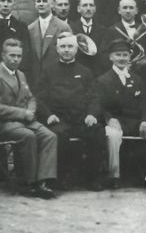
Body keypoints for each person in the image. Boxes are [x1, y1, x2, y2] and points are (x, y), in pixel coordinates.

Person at [0, 39, 58, 199]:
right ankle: (29, 182)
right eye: (12, 55)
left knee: (50, 136)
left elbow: (31, 97)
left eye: (19, 56)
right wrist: (23, 113)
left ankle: (43, 181)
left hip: (25, 121)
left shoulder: (21, 75)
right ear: (3, 55)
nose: (16, 59)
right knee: (28, 136)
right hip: (2, 124)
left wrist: (30, 111)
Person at [35, 33, 108, 190]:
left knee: (97, 132)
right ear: (57, 49)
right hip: (58, 119)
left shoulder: (86, 72)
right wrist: (49, 115)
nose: (66, 50)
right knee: (59, 136)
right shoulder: (48, 70)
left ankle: (93, 178)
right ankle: (63, 178)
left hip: (81, 118)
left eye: (70, 46)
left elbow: (95, 97)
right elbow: (39, 98)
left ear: (76, 49)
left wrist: (91, 114)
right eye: (63, 46)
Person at [94, 40, 146, 190]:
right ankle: (113, 176)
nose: (122, 58)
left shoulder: (137, 79)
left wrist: (145, 121)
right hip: (115, 122)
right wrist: (109, 119)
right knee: (113, 135)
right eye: (118, 55)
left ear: (129, 57)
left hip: (135, 123)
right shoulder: (102, 80)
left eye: (125, 55)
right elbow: (99, 105)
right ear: (111, 57)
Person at [26, 0, 71, 83]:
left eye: (44, 1)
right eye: (38, 1)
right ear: (35, 5)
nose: (41, 4)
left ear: (52, 5)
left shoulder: (63, 27)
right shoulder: (30, 29)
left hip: (57, 78)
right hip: (36, 80)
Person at [0, 0, 30, 70]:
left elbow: (25, 54)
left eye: (9, 1)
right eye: (2, 1)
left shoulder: (21, 27)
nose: (6, 4)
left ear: (14, 4)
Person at [68, 0, 107, 74]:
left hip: (97, 74)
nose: (88, 8)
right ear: (78, 9)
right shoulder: (70, 28)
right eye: (85, 5)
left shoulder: (103, 30)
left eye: (91, 5)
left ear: (95, 9)